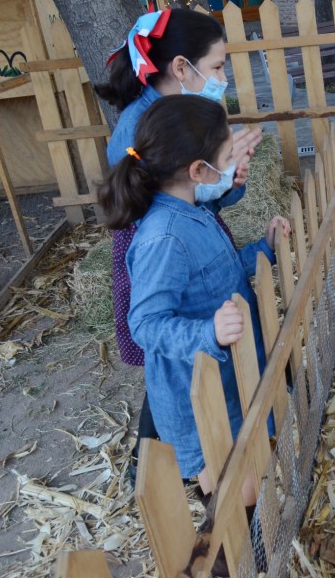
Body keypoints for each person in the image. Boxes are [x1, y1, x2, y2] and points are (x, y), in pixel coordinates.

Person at [96, 8, 262, 481]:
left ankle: (173, 452)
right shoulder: (136, 128)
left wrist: (230, 176)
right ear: (182, 67)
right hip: (168, 252)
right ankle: (157, 460)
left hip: (195, 237)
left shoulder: (192, 111)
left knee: (187, 359)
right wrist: (219, 177)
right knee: (170, 362)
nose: (223, 77)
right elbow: (159, 206)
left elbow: (202, 191)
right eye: (217, 67)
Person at [97, 93, 288, 498]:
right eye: (226, 158)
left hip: (231, 376)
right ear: (199, 171)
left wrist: (263, 250)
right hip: (200, 392)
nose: (232, 167)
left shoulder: (193, 211)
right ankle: (232, 557)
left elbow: (214, 273)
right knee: (236, 492)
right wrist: (207, 334)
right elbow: (145, 325)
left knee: (253, 474)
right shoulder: (163, 237)